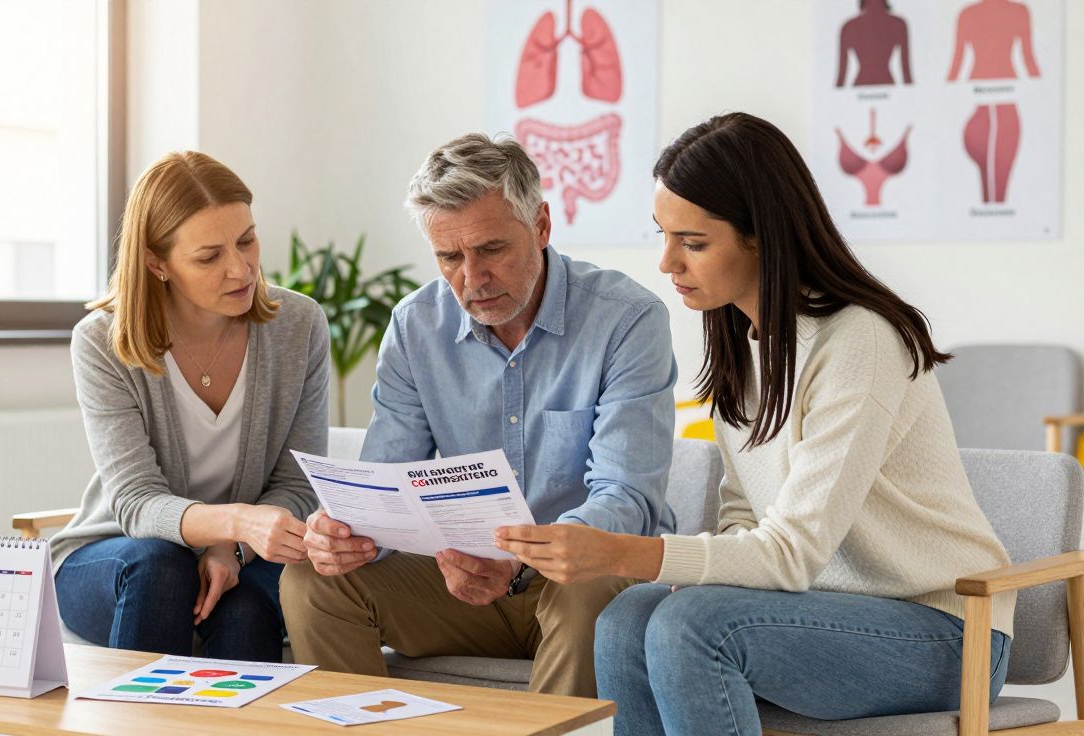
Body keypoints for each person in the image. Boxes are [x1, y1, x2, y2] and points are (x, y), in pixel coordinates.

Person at [494, 113, 1015, 734]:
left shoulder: (860, 342)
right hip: (813, 616)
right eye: (663, 235)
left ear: (762, 237)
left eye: (693, 242)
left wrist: (624, 552)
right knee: (626, 618)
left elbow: (792, 553)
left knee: (694, 626)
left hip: (945, 634)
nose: (666, 263)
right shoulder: (745, 346)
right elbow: (745, 516)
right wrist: (672, 574)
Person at [280, 133, 677, 697]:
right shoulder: (416, 325)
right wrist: (345, 532)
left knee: (581, 586)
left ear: (541, 226)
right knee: (312, 581)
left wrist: (518, 562)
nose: (471, 278)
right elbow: (385, 487)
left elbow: (627, 499)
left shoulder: (626, 319)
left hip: (583, 581)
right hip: (461, 586)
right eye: (449, 257)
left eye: (491, 249)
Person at [50, 151, 330, 663]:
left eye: (247, 240)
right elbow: (135, 503)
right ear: (157, 262)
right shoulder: (102, 342)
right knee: (163, 567)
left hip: (244, 557)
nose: (240, 268)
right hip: (118, 555)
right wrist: (236, 523)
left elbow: (298, 484)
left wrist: (234, 546)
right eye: (208, 257)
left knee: (244, 606)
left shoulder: (300, 325)